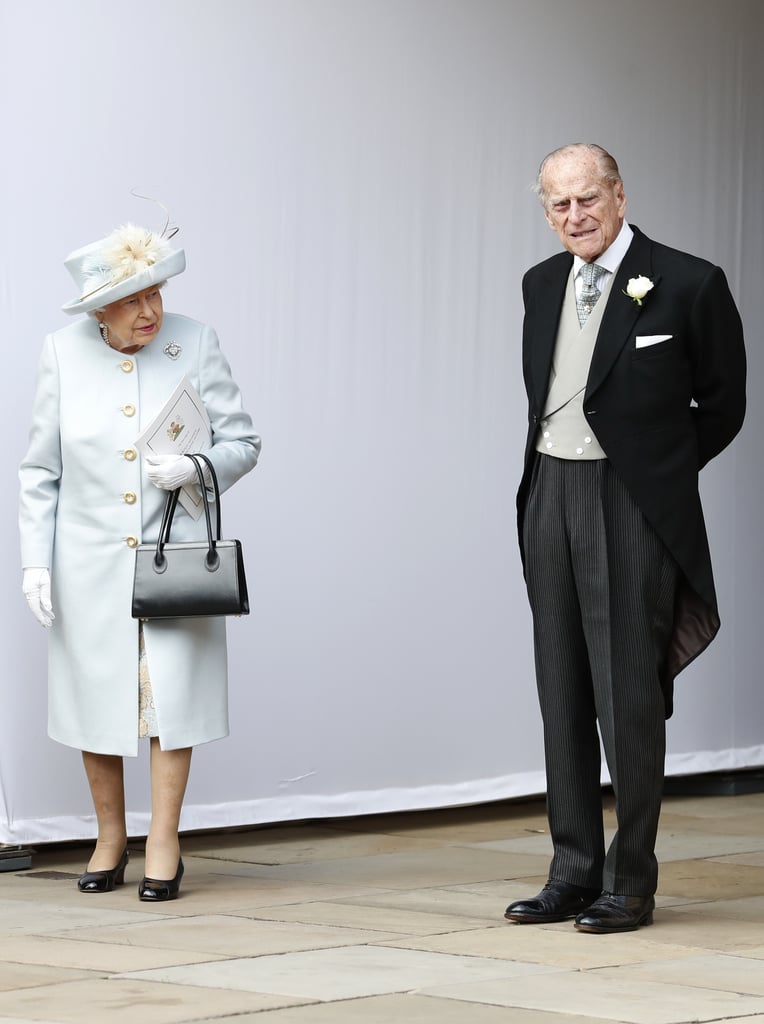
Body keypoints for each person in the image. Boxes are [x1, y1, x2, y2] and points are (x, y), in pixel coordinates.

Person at [505, 144, 746, 933]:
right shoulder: (541, 284)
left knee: (628, 696)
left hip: (629, 500)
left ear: (617, 193)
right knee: (562, 687)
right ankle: (571, 870)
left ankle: (630, 879)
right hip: (549, 491)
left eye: (587, 199)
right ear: (546, 210)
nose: (574, 217)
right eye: (558, 204)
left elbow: (724, 404)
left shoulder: (689, 281)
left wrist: (654, 473)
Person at [19, 218, 261, 901]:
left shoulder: (195, 341)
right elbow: (41, 469)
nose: (150, 309)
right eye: (131, 299)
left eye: (154, 291)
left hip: (171, 557)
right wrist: (35, 561)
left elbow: (243, 441)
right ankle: (108, 838)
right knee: (97, 697)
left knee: (168, 702)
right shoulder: (62, 353)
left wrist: (194, 465)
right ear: (99, 309)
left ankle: (164, 840)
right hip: (86, 561)